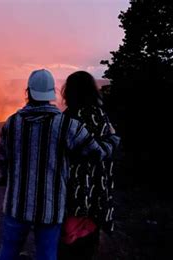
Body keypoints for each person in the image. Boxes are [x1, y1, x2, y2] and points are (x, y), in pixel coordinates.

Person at [0, 69, 120, 260]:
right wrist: (113, 138)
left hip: (16, 205)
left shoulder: (12, 123)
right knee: (47, 255)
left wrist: (7, 177)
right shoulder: (67, 125)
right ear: (51, 93)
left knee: (8, 251)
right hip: (50, 208)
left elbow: (3, 159)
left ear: (28, 92)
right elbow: (98, 153)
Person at [58, 71, 116, 260]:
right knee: (89, 241)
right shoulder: (101, 116)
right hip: (98, 188)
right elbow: (109, 145)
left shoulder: (69, 118)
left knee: (69, 241)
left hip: (74, 188)